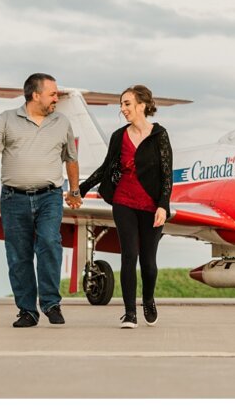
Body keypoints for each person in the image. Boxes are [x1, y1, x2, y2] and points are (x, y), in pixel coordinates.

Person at [0, 73, 81, 328]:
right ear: (35, 95)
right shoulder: (6, 119)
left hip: (50, 196)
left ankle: (51, 303)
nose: (56, 98)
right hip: (14, 198)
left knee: (49, 242)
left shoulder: (62, 122)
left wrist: (75, 191)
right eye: (52, 93)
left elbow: (71, 158)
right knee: (19, 255)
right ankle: (27, 311)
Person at [74, 84, 171, 329]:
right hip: (124, 201)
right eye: (121, 104)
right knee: (129, 256)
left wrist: (163, 206)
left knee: (148, 262)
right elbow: (106, 168)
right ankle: (130, 313)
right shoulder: (119, 136)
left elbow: (166, 175)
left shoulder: (160, 136)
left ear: (142, 105)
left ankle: (148, 300)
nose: (123, 109)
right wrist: (81, 189)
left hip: (151, 206)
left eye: (127, 103)